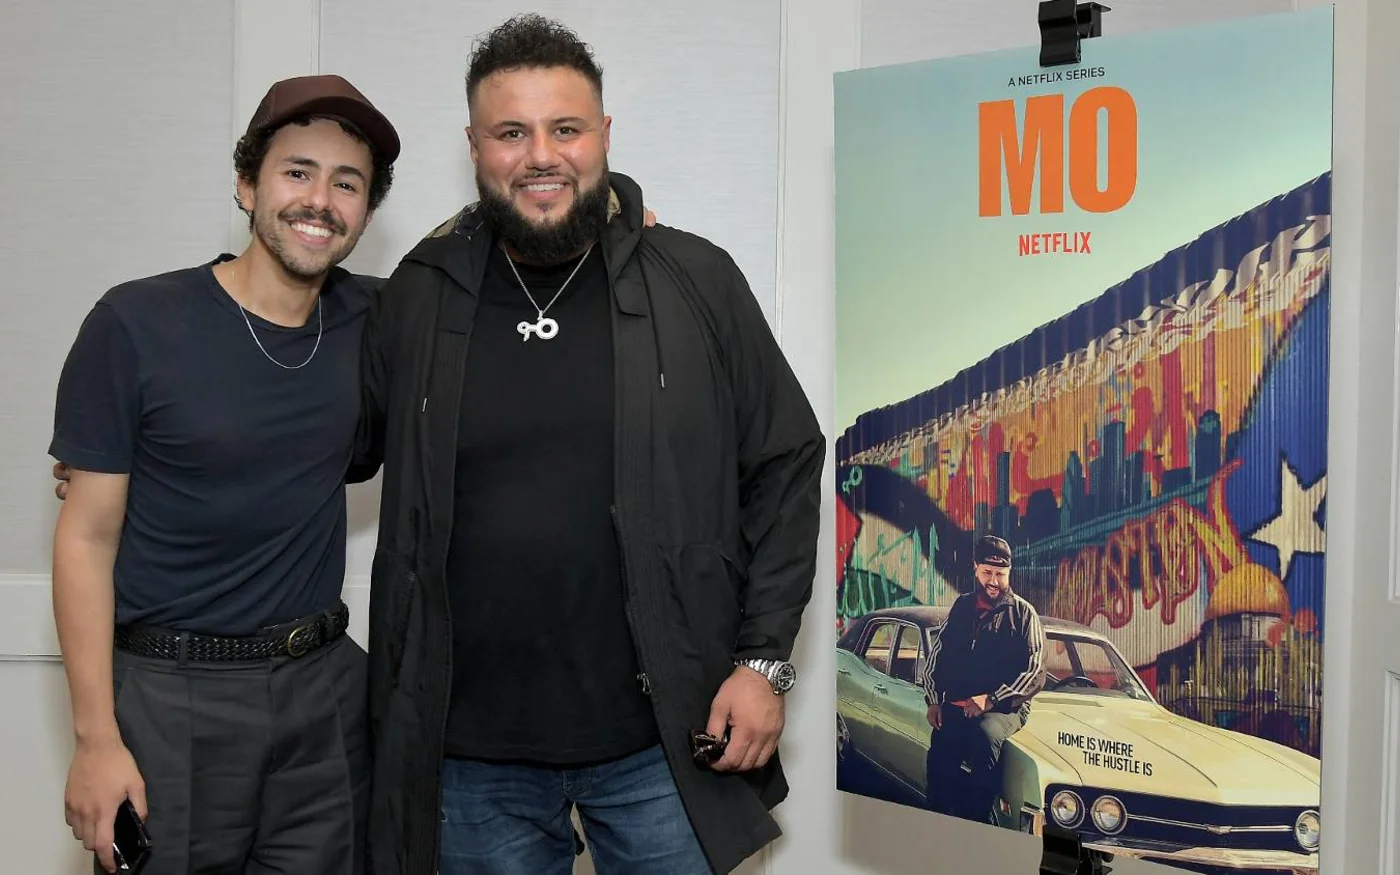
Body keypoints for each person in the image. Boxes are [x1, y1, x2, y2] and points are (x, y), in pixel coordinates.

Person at [350, 13, 824, 875]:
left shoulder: (696, 279)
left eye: (565, 128)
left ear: (603, 135)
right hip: (469, 756)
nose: (541, 155)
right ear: (473, 145)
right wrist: (147, 452)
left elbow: (786, 463)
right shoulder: (415, 298)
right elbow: (321, 443)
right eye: (511, 132)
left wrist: (763, 663)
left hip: (666, 745)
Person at [48, 74, 400, 874]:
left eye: (347, 183)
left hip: (325, 697)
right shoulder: (136, 323)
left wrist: (620, 207)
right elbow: (86, 538)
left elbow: (485, 254)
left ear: (366, 214)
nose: (320, 200)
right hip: (170, 697)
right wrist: (95, 739)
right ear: (246, 184)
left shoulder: (377, 317)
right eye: (297, 172)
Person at [919, 534, 1047, 823]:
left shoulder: (1024, 614)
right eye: (987, 573)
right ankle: (936, 818)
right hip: (958, 702)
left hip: (1005, 707)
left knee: (985, 736)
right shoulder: (962, 607)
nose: (993, 581)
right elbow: (937, 655)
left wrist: (992, 699)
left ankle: (976, 822)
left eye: (1000, 574)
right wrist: (934, 701)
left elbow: (1035, 670)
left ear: (1009, 573)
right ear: (975, 568)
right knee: (940, 749)